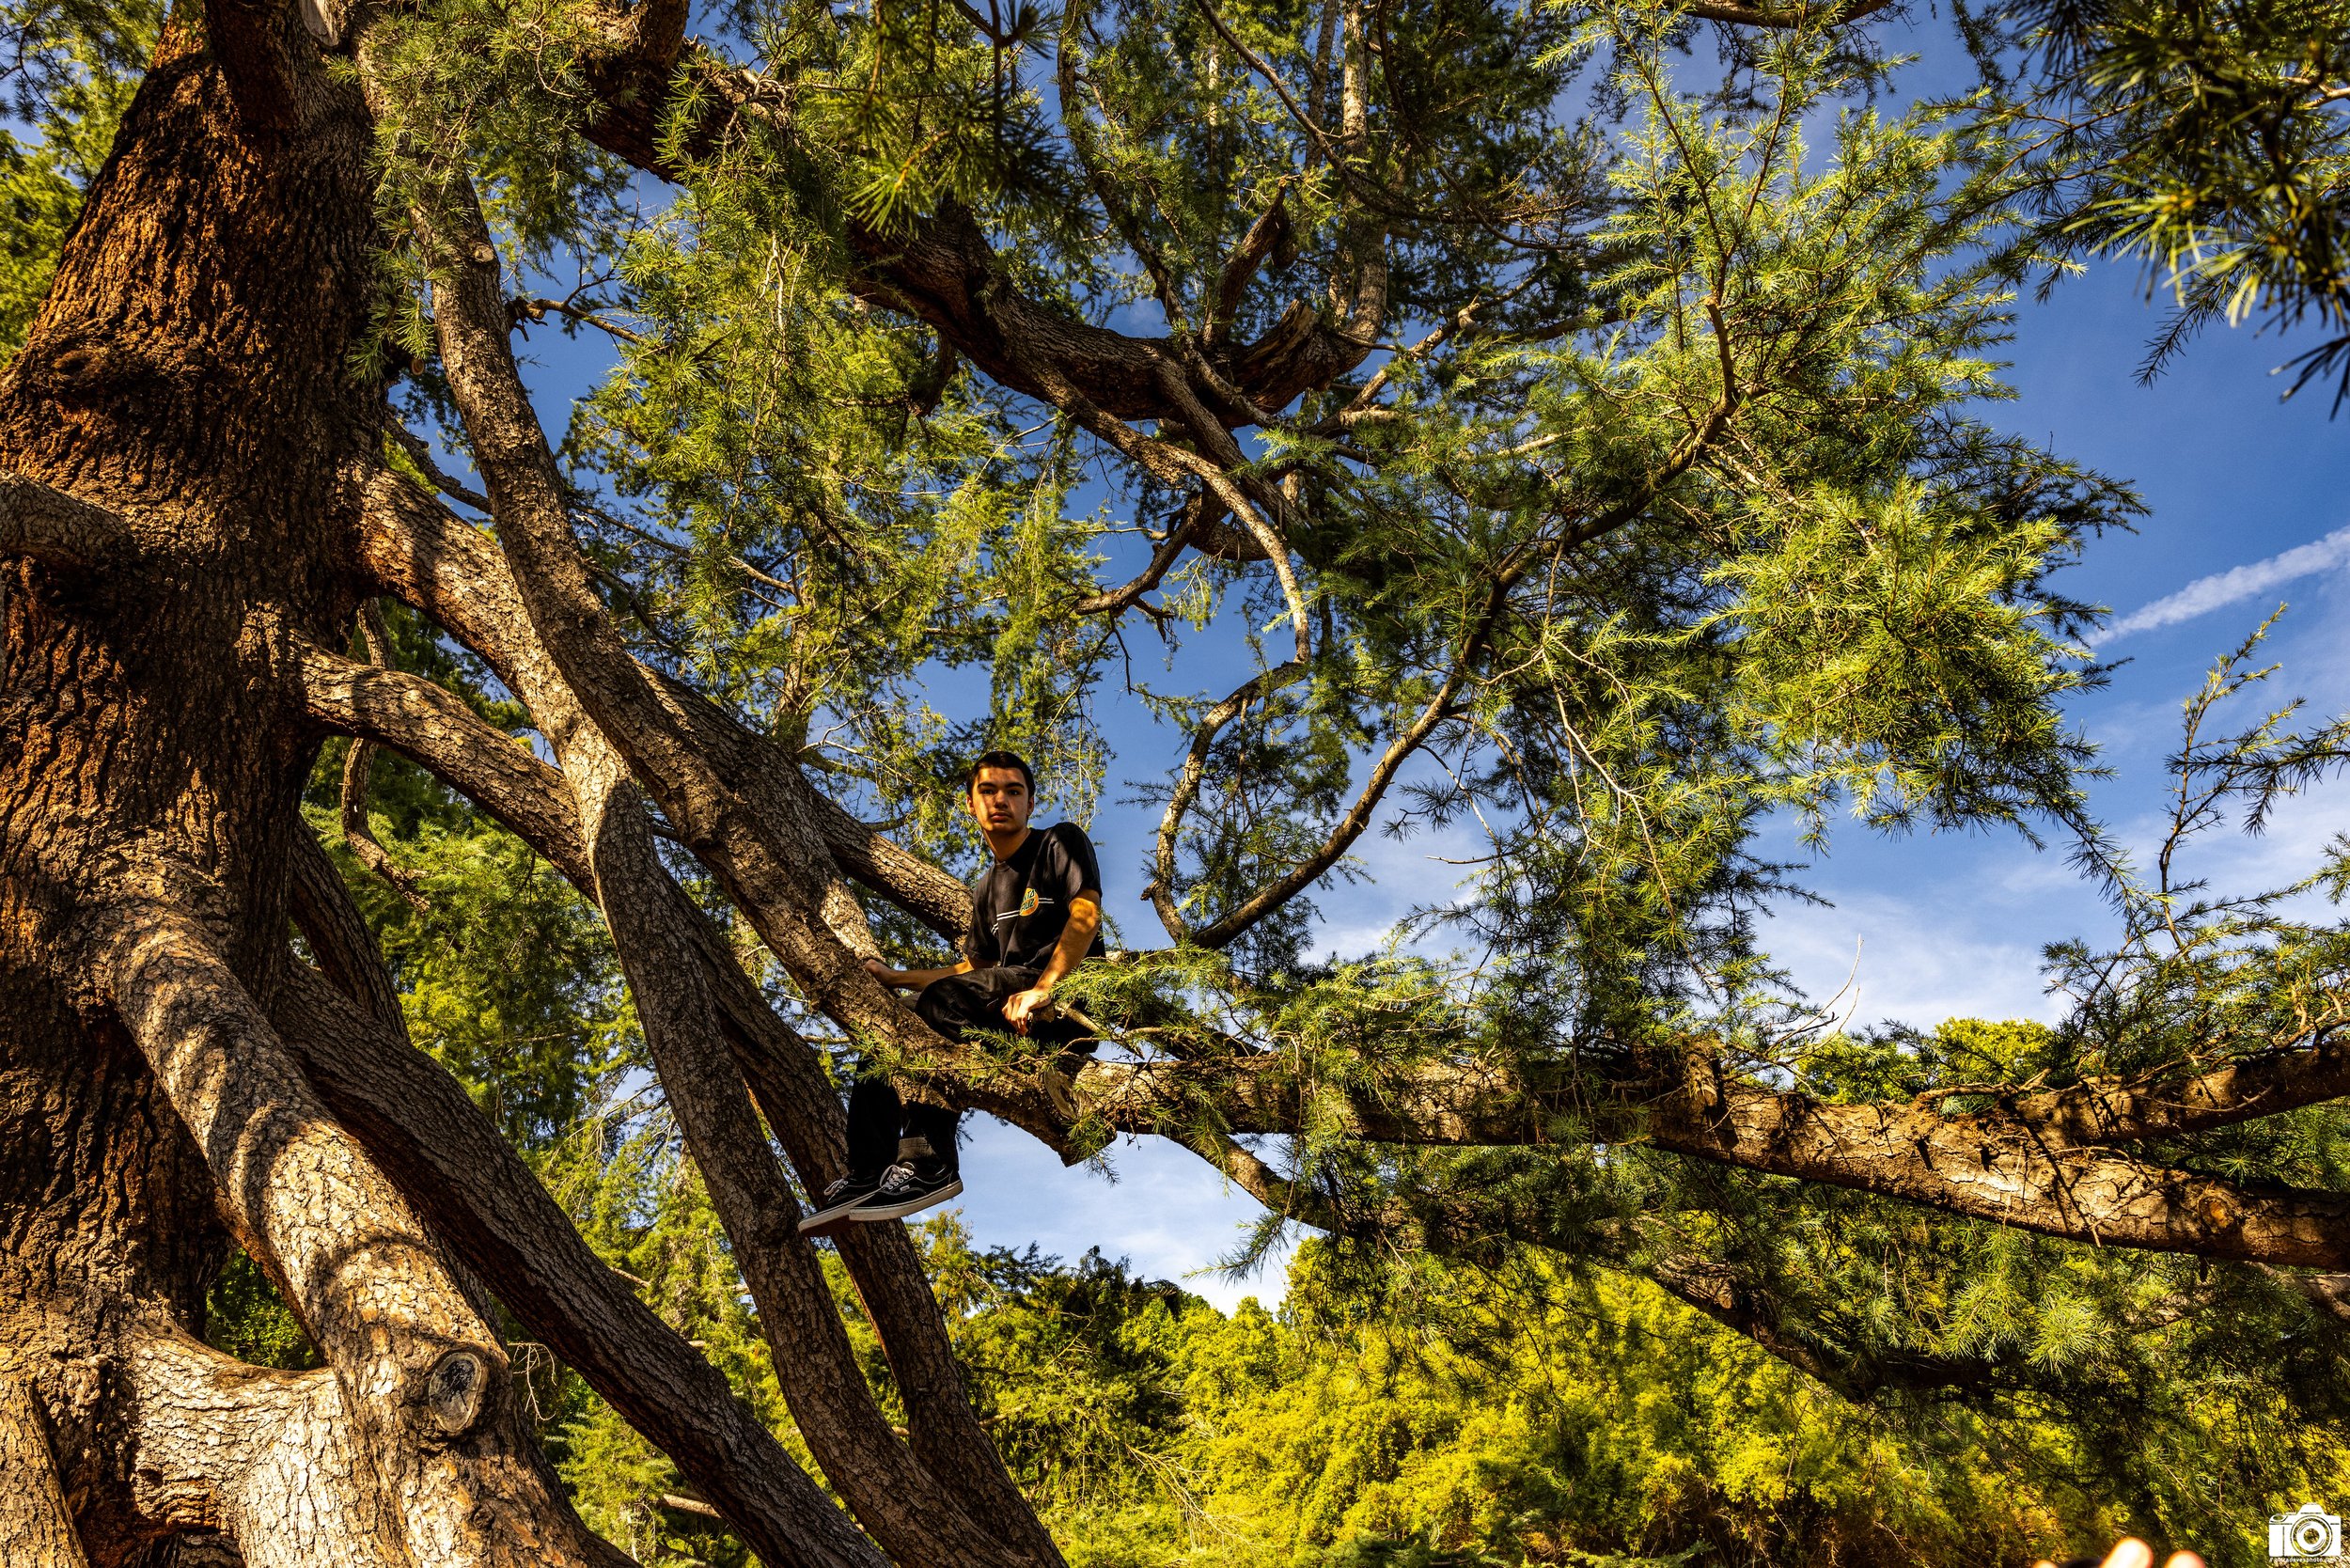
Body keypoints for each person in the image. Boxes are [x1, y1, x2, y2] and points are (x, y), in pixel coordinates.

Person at [797, 749, 1104, 1230]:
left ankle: (929, 1159)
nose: (1000, 800)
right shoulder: (987, 888)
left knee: (943, 1001)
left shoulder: (1059, 842)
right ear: (970, 804)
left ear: (1030, 802)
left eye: (1013, 791)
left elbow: (1085, 916)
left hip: (1064, 1008)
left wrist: (1044, 988)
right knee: (889, 1022)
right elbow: (973, 968)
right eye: (988, 790)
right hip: (1007, 1008)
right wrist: (897, 979)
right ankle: (868, 1169)